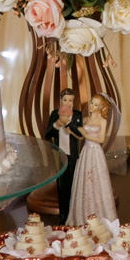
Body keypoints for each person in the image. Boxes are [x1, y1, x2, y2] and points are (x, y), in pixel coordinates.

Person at [67, 93, 117, 225]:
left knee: (97, 180)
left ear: (101, 107)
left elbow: (101, 139)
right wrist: (72, 131)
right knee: (84, 180)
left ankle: (100, 214)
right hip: (86, 152)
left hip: (96, 152)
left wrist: (85, 134)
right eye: (91, 102)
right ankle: (82, 213)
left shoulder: (102, 121)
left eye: (95, 104)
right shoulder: (85, 119)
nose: (91, 106)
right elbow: (80, 137)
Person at [44, 88, 83, 224]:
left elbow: (80, 133)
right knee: (62, 186)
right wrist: (57, 124)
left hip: (73, 156)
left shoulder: (77, 114)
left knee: (74, 185)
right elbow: (47, 135)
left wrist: (69, 124)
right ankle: (63, 215)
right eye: (65, 100)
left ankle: (74, 214)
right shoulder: (55, 114)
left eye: (71, 100)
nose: (68, 103)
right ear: (60, 100)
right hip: (59, 156)